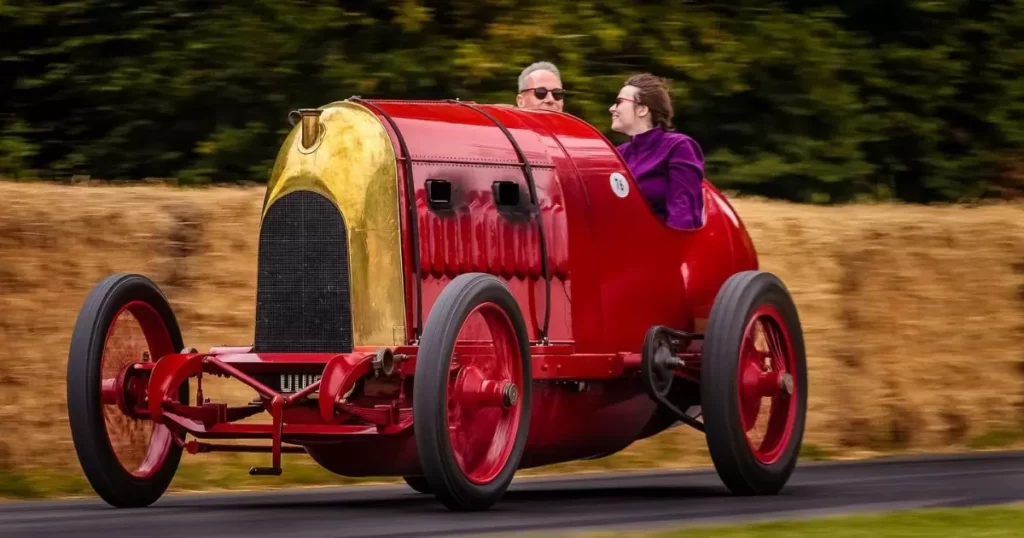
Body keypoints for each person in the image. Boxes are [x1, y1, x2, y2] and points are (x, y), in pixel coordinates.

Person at [610, 73, 705, 230]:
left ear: (642, 110)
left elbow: (684, 214)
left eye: (619, 102)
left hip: (662, 248)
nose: (612, 108)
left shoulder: (679, 147)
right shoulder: (618, 153)